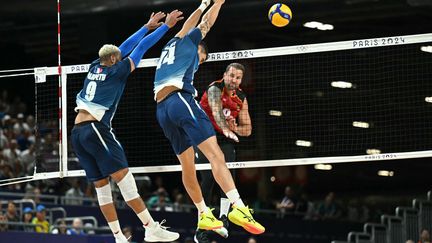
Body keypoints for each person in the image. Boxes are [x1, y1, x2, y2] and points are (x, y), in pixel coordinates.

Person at [153, 0, 264, 239]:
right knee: (217, 155)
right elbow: (205, 24)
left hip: (161, 110)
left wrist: (204, 5)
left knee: (187, 165)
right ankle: (238, 208)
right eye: (201, 56)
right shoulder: (189, 43)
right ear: (197, 48)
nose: (201, 59)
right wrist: (214, 3)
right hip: (179, 101)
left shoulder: (170, 46)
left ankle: (204, 212)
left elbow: (192, 26)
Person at [70, 11, 183, 243]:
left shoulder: (95, 66)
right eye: (118, 57)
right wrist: (165, 28)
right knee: (124, 179)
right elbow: (140, 48)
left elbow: (122, 47)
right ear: (114, 60)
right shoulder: (117, 70)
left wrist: (146, 26)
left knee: (102, 188)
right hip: (95, 129)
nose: (121, 58)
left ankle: (119, 237)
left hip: (77, 134)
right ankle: (151, 227)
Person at [195, 63, 251, 240]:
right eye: (232, 75)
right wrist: (226, 128)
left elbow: (247, 129)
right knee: (208, 180)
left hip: (226, 141)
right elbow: (217, 113)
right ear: (225, 75)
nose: (234, 80)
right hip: (205, 138)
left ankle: (224, 219)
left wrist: (235, 129)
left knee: (228, 178)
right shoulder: (214, 89)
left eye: (238, 77)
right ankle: (201, 228)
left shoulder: (241, 97)